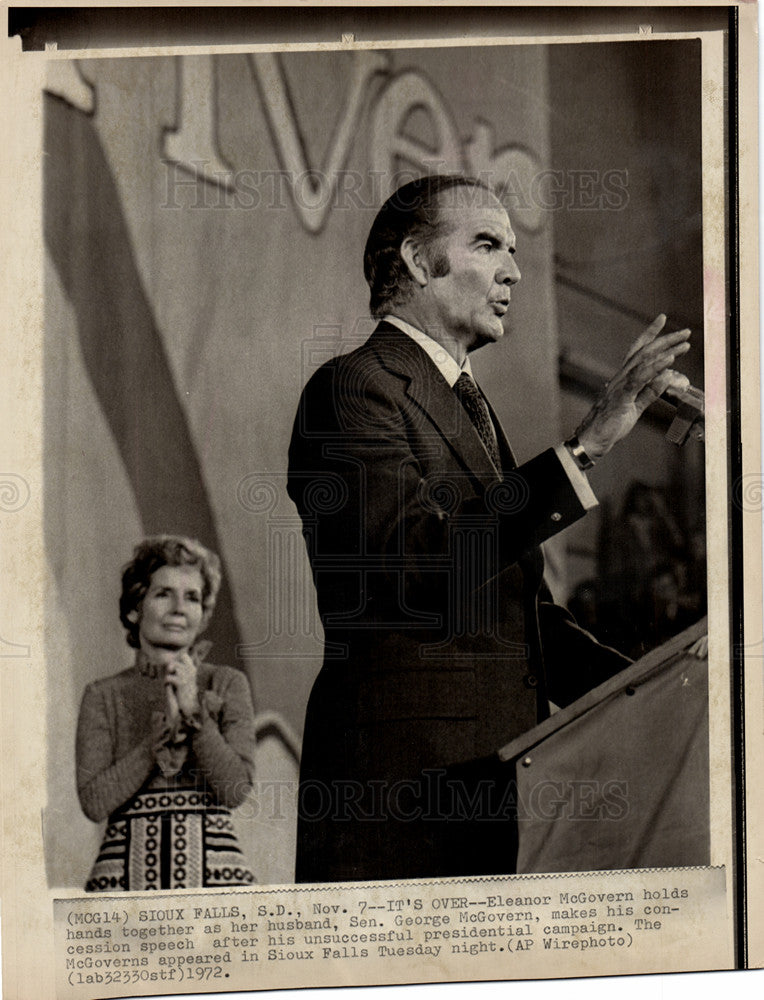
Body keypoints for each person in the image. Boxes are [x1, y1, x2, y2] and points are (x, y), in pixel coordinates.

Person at [287, 174, 692, 882]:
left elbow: (522, 618)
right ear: (417, 261)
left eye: (513, 248)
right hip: (402, 798)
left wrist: (669, 688)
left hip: (490, 789)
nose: (514, 270)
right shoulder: (354, 387)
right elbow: (416, 569)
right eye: (487, 244)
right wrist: (585, 447)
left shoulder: (467, 405)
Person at [76, 535, 256, 891]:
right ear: (134, 609)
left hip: (215, 877)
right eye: (163, 594)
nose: (179, 608)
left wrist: (193, 711)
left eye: (192, 597)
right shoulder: (103, 694)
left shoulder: (226, 683)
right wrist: (151, 747)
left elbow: (234, 791)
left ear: (203, 615)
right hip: (122, 882)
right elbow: (95, 803)